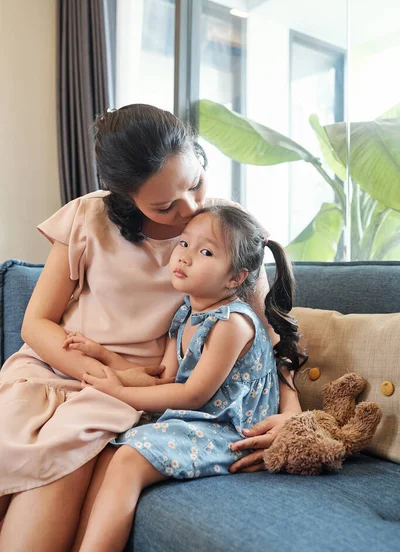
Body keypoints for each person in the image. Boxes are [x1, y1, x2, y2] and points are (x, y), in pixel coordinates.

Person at [0, 104, 302, 552]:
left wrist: (291, 415)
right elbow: (36, 323)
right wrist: (96, 372)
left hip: (132, 394)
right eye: (164, 206)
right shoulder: (88, 218)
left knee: (39, 514)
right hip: (54, 372)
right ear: (126, 198)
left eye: (196, 182)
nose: (191, 208)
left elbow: (264, 339)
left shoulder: (227, 232)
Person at [66, 205, 306, 552]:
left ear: (235, 278)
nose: (185, 257)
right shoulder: (185, 313)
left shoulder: (231, 324)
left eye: (205, 252)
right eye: (183, 244)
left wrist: (119, 392)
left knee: (129, 460)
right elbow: (163, 378)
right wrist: (104, 356)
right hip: (198, 420)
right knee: (106, 452)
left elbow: (192, 394)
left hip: (230, 429)